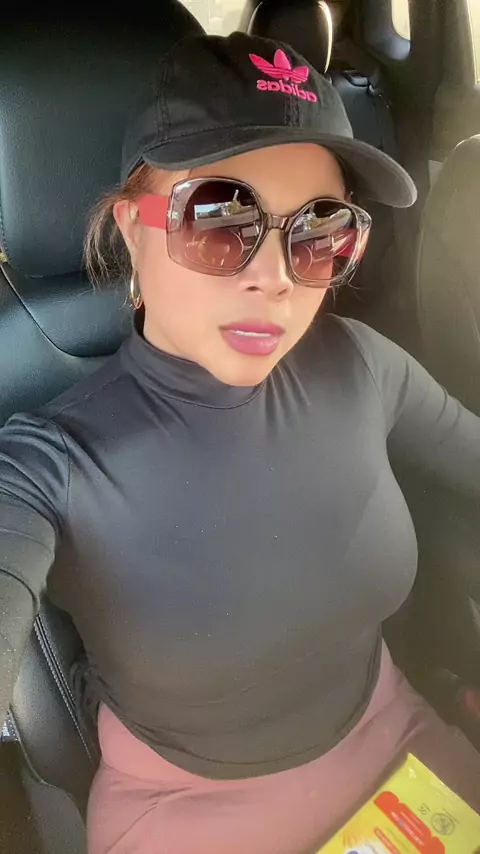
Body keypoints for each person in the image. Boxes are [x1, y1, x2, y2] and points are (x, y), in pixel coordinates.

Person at [1, 30, 480, 854]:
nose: (277, 277)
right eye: (220, 219)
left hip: (403, 749)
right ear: (133, 228)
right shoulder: (48, 459)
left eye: (320, 230)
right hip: (187, 811)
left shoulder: (363, 364)